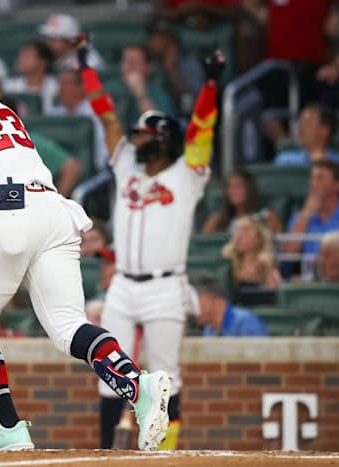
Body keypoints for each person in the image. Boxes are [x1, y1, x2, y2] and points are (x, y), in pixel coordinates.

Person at [0, 35, 171, 452]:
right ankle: (138, 385)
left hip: (7, 213)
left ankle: (11, 428)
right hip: (54, 211)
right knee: (69, 328)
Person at [77, 37, 225, 449]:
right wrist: (86, 69)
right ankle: (108, 452)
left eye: (144, 135)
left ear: (164, 140)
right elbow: (106, 118)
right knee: (109, 374)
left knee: (166, 375)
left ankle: (164, 453)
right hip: (123, 284)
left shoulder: (187, 174)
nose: (136, 141)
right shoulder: (127, 166)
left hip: (165, 287)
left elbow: (201, 131)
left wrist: (211, 84)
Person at [48, 69, 109, 172]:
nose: (61, 88)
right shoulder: (55, 113)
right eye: (60, 83)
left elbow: (103, 152)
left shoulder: (96, 112)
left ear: (81, 88)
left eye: (67, 83)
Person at [146, 19, 205, 116]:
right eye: (151, 37)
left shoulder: (190, 66)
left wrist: (171, 70)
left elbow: (193, 106)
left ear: (171, 41)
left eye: (157, 37)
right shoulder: (150, 65)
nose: (151, 42)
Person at [201, 168, 283, 235]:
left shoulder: (266, 217)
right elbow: (202, 248)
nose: (233, 191)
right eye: (230, 187)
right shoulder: (216, 220)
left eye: (238, 186)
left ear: (249, 189)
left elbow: (281, 249)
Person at [284, 160, 339, 257]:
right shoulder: (300, 217)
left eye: (320, 178)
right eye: (312, 178)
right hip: (309, 270)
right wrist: (306, 214)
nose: (313, 184)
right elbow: (289, 253)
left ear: (336, 185)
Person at [190, 276, 268, 337]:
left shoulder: (245, 321)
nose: (190, 309)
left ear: (208, 298)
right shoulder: (209, 330)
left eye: (192, 303)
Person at [222, 215, 281, 290]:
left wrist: (267, 269)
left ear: (259, 238)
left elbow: (273, 295)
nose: (239, 236)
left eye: (246, 230)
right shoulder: (227, 262)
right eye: (237, 230)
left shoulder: (266, 262)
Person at [3, 40, 59, 115]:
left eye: (27, 57)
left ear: (42, 62)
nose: (21, 60)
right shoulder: (9, 87)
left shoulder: (58, 87)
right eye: (21, 56)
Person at [273, 103, 339, 166]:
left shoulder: (336, 162)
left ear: (325, 130)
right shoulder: (285, 161)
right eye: (300, 122)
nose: (300, 127)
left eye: (307, 123)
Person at [38, 14, 104, 71]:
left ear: (70, 41)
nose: (48, 43)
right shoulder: (49, 57)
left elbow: (92, 84)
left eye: (53, 39)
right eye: (47, 38)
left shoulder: (88, 61)